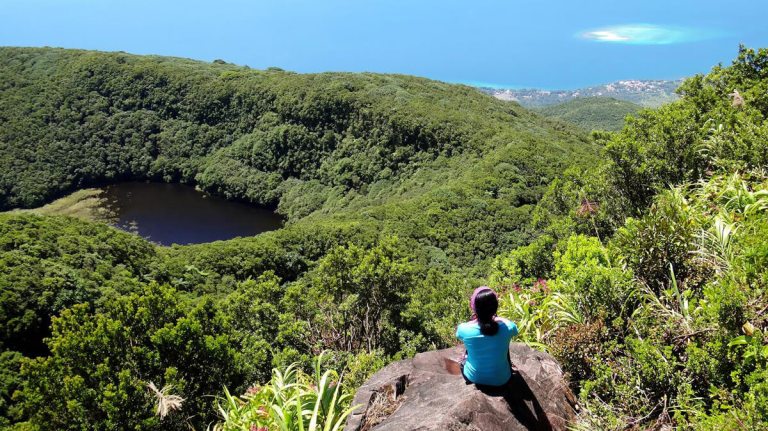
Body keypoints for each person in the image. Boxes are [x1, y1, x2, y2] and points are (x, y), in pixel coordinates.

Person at [456, 286, 519, 386]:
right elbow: (515, 330)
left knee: (466, 353)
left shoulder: (464, 329)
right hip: (503, 379)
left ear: (474, 307)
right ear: (495, 307)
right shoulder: (509, 327)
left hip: (474, 377)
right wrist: (497, 318)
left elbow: (458, 335)